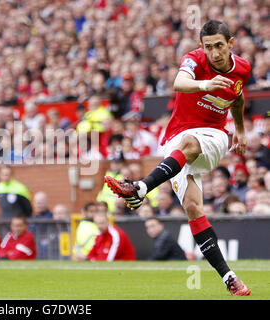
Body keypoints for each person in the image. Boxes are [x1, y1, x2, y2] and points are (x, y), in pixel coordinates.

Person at [105, 21, 251, 295]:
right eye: (208, 47)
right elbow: (179, 83)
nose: (214, 53)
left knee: (190, 144)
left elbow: (238, 98)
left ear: (230, 43)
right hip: (174, 140)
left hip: (213, 134)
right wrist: (205, 83)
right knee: (194, 208)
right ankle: (229, 278)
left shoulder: (242, 68)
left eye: (219, 45)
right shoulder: (194, 59)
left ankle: (140, 188)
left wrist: (240, 130)